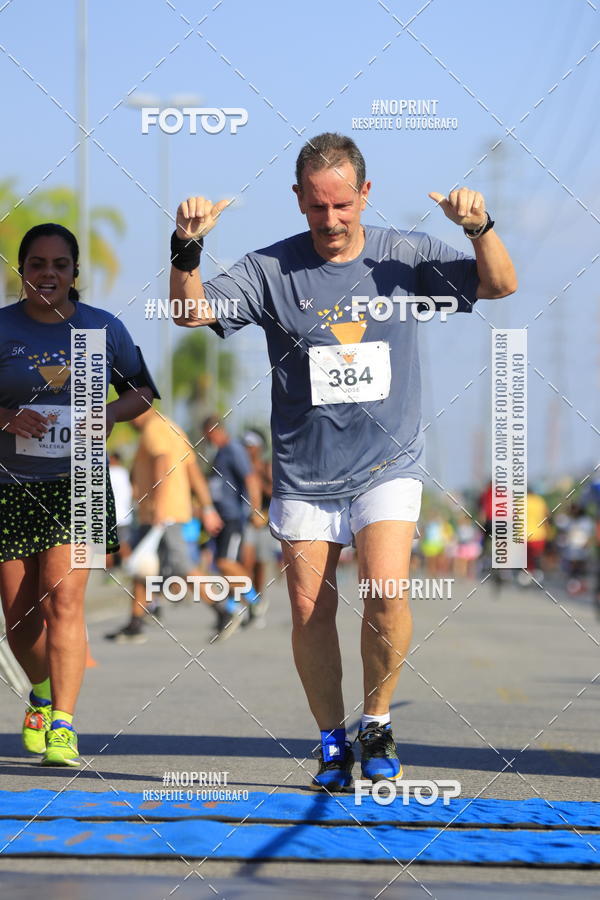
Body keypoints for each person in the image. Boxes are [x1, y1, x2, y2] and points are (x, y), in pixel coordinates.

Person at [169, 132, 517, 789]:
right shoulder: (271, 269)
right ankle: (332, 742)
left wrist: (480, 228)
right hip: (305, 471)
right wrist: (186, 247)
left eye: (342, 206)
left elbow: (500, 284)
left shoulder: (403, 255)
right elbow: (191, 313)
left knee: (385, 592)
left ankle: (378, 722)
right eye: (316, 208)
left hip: (388, 464)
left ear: (365, 193)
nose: (330, 222)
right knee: (310, 610)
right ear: (298, 199)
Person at [0, 223, 157, 766]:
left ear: (74, 273)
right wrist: (6, 416)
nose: (48, 274)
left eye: (59, 265)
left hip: (80, 483)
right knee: (20, 619)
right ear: (23, 272)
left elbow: (143, 390)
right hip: (10, 485)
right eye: (38, 264)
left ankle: (63, 723)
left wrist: (109, 413)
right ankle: (40, 693)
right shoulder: (1, 329)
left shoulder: (100, 329)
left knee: (62, 600)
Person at [105, 408, 222, 643]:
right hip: (167, 512)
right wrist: (208, 508)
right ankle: (135, 623)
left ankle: (224, 609)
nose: (126, 420)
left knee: (181, 565)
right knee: (142, 565)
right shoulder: (173, 428)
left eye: (128, 413)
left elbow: (162, 460)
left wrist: (158, 506)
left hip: (163, 514)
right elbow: (193, 471)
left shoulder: (153, 428)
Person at [202, 416, 264, 638]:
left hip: (233, 518)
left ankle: (255, 601)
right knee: (220, 568)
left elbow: (251, 479)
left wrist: (255, 510)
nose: (207, 439)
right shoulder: (218, 454)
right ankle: (233, 610)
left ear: (215, 430)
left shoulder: (234, 449)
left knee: (225, 563)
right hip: (219, 519)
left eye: (208, 434)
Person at [241, 429, 279, 608]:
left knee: (260, 563)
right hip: (246, 521)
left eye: (251, 446)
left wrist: (259, 482)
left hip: (263, 522)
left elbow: (274, 491)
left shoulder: (265, 467)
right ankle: (248, 599)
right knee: (246, 560)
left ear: (259, 448)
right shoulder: (241, 466)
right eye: (246, 446)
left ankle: (258, 599)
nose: (248, 450)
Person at [106, 451, 134, 569]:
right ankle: (131, 568)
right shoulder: (124, 473)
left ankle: (109, 573)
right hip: (124, 516)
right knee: (124, 544)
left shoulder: (109, 473)